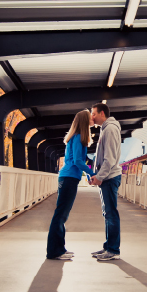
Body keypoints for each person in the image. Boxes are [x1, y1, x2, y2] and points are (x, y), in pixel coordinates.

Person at [46, 110, 95, 260]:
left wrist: (88, 174)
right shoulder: (79, 137)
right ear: (85, 121)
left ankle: (60, 249)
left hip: (68, 177)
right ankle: (54, 251)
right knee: (61, 214)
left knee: (62, 214)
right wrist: (92, 173)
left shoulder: (76, 136)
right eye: (90, 117)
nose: (93, 118)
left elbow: (77, 160)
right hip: (69, 177)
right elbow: (78, 161)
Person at [89, 103, 122, 261]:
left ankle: (113, 250)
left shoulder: (109, 129)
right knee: (108, 214)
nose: (92, 117)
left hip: (109, 177)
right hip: (107, 177)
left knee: (111, 214)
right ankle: (108, 247)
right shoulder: (106, 129)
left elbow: (109, 159)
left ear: (102, 113)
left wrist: (100, 177)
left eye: (94, 114)